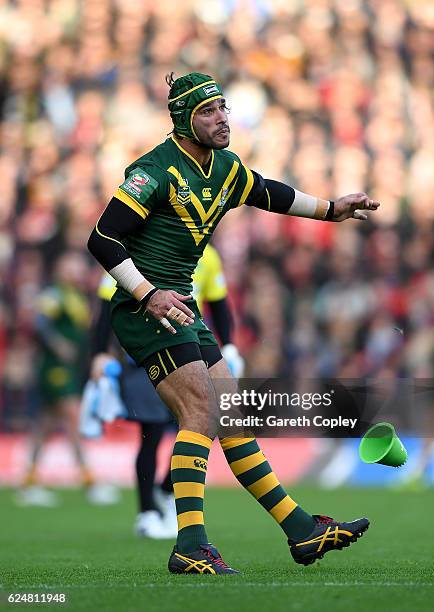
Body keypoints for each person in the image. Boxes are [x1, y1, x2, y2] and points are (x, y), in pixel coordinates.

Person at [88, 72, 380, 575]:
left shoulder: (225, 168)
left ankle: (302, 530)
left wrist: (331, 210)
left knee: (233, 418)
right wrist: (148, 293)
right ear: (183, 119)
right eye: (207, 111)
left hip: (181, 307)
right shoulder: (153, 170)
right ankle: (190, 545)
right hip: (146, 309)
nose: (222, 117)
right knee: (202, 412)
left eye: (222, 106)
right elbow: (102, 238)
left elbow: (270, 193)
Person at [92, 244, 243, 538]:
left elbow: (219, 304)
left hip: (187, 353)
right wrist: (99, 352)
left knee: (200, 425)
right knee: (151, 432)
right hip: (142, 350)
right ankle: (146, 512)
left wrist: (230, 346)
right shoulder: (134, 250)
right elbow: (105, 306)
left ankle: (167, 488)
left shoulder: (209, 255)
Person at [18, 251, 95, 506]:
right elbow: (39, 322)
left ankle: (29, 480)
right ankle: (88, 480)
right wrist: (58, 343)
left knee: (46, 422)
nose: (77, 271)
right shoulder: (55, 295)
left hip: (69, 368)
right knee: (72, 416)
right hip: (55, 367)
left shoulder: (76, 296)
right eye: (71, 266)